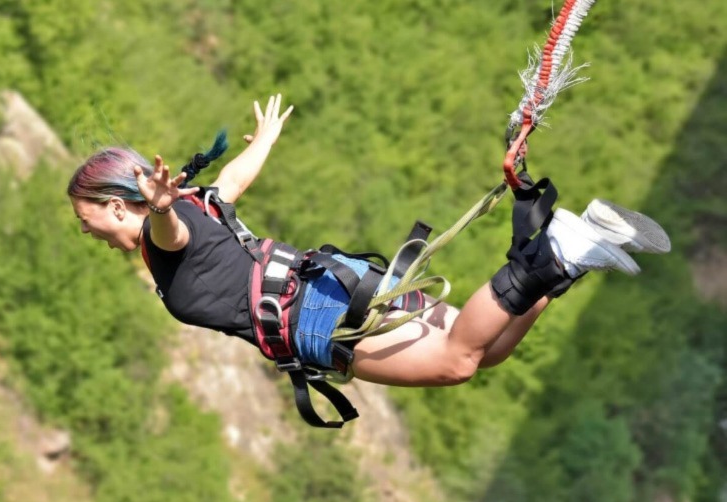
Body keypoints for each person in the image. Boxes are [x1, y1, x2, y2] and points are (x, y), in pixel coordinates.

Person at [67, 94, 670, 393]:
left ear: (116, 205)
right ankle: (568, 261)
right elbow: (232, 181)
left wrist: (165, 210)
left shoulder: (164, 230)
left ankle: (556, 251)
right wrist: (266, 140)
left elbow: (168, 235)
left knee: (458, 361)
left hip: (318, 316)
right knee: (485, 352)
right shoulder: (200, 203)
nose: (87, 232)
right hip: (331, 282)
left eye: (85, 219)